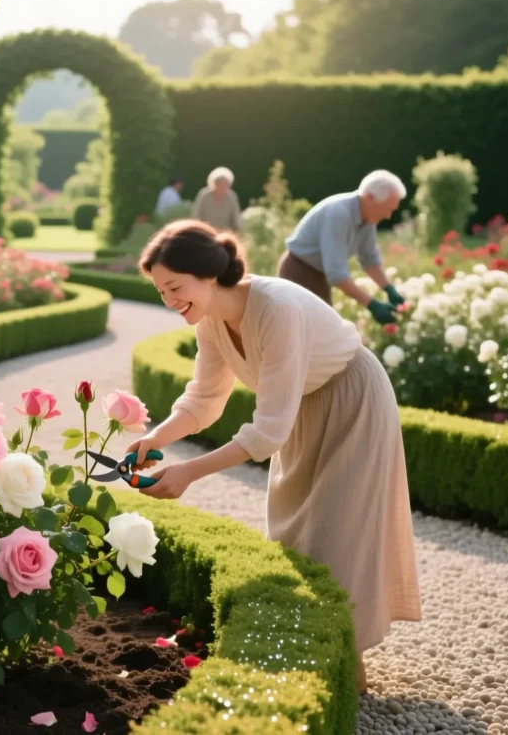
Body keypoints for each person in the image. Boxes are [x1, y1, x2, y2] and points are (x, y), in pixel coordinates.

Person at [128, 220, 421, 694]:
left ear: (206, 275)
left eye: (175, 287)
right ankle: (324, 661)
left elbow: (266, 433)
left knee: (336, 536)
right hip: (302, 409)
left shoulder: (277, 309)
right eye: (162, 291)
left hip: (352, 400)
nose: (169, 301)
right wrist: (155, 439)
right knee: (294, 532)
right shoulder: (210, 321)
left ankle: (349, 681)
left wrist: (189, 473)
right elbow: (203, 399)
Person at [279, 170, 406, 325]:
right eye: (388, 209)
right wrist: (372, 304)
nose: (388, 216)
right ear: (370, 198)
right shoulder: (339, 213)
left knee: (321, 334)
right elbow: (337, 274)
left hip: (319, 275)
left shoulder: (368, 219)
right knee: (306, 333)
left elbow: (370, 260)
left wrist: (389, 289)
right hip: (298, 272)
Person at [192, 167, 242, 232]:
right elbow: (197, 214)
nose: (222, 186)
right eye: (220, 183)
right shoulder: (204, 195)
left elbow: (235, 215)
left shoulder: (231, 196)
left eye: (225, 184)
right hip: (207, 231)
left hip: (224, 233)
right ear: (214, 183)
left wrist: (238, 229)